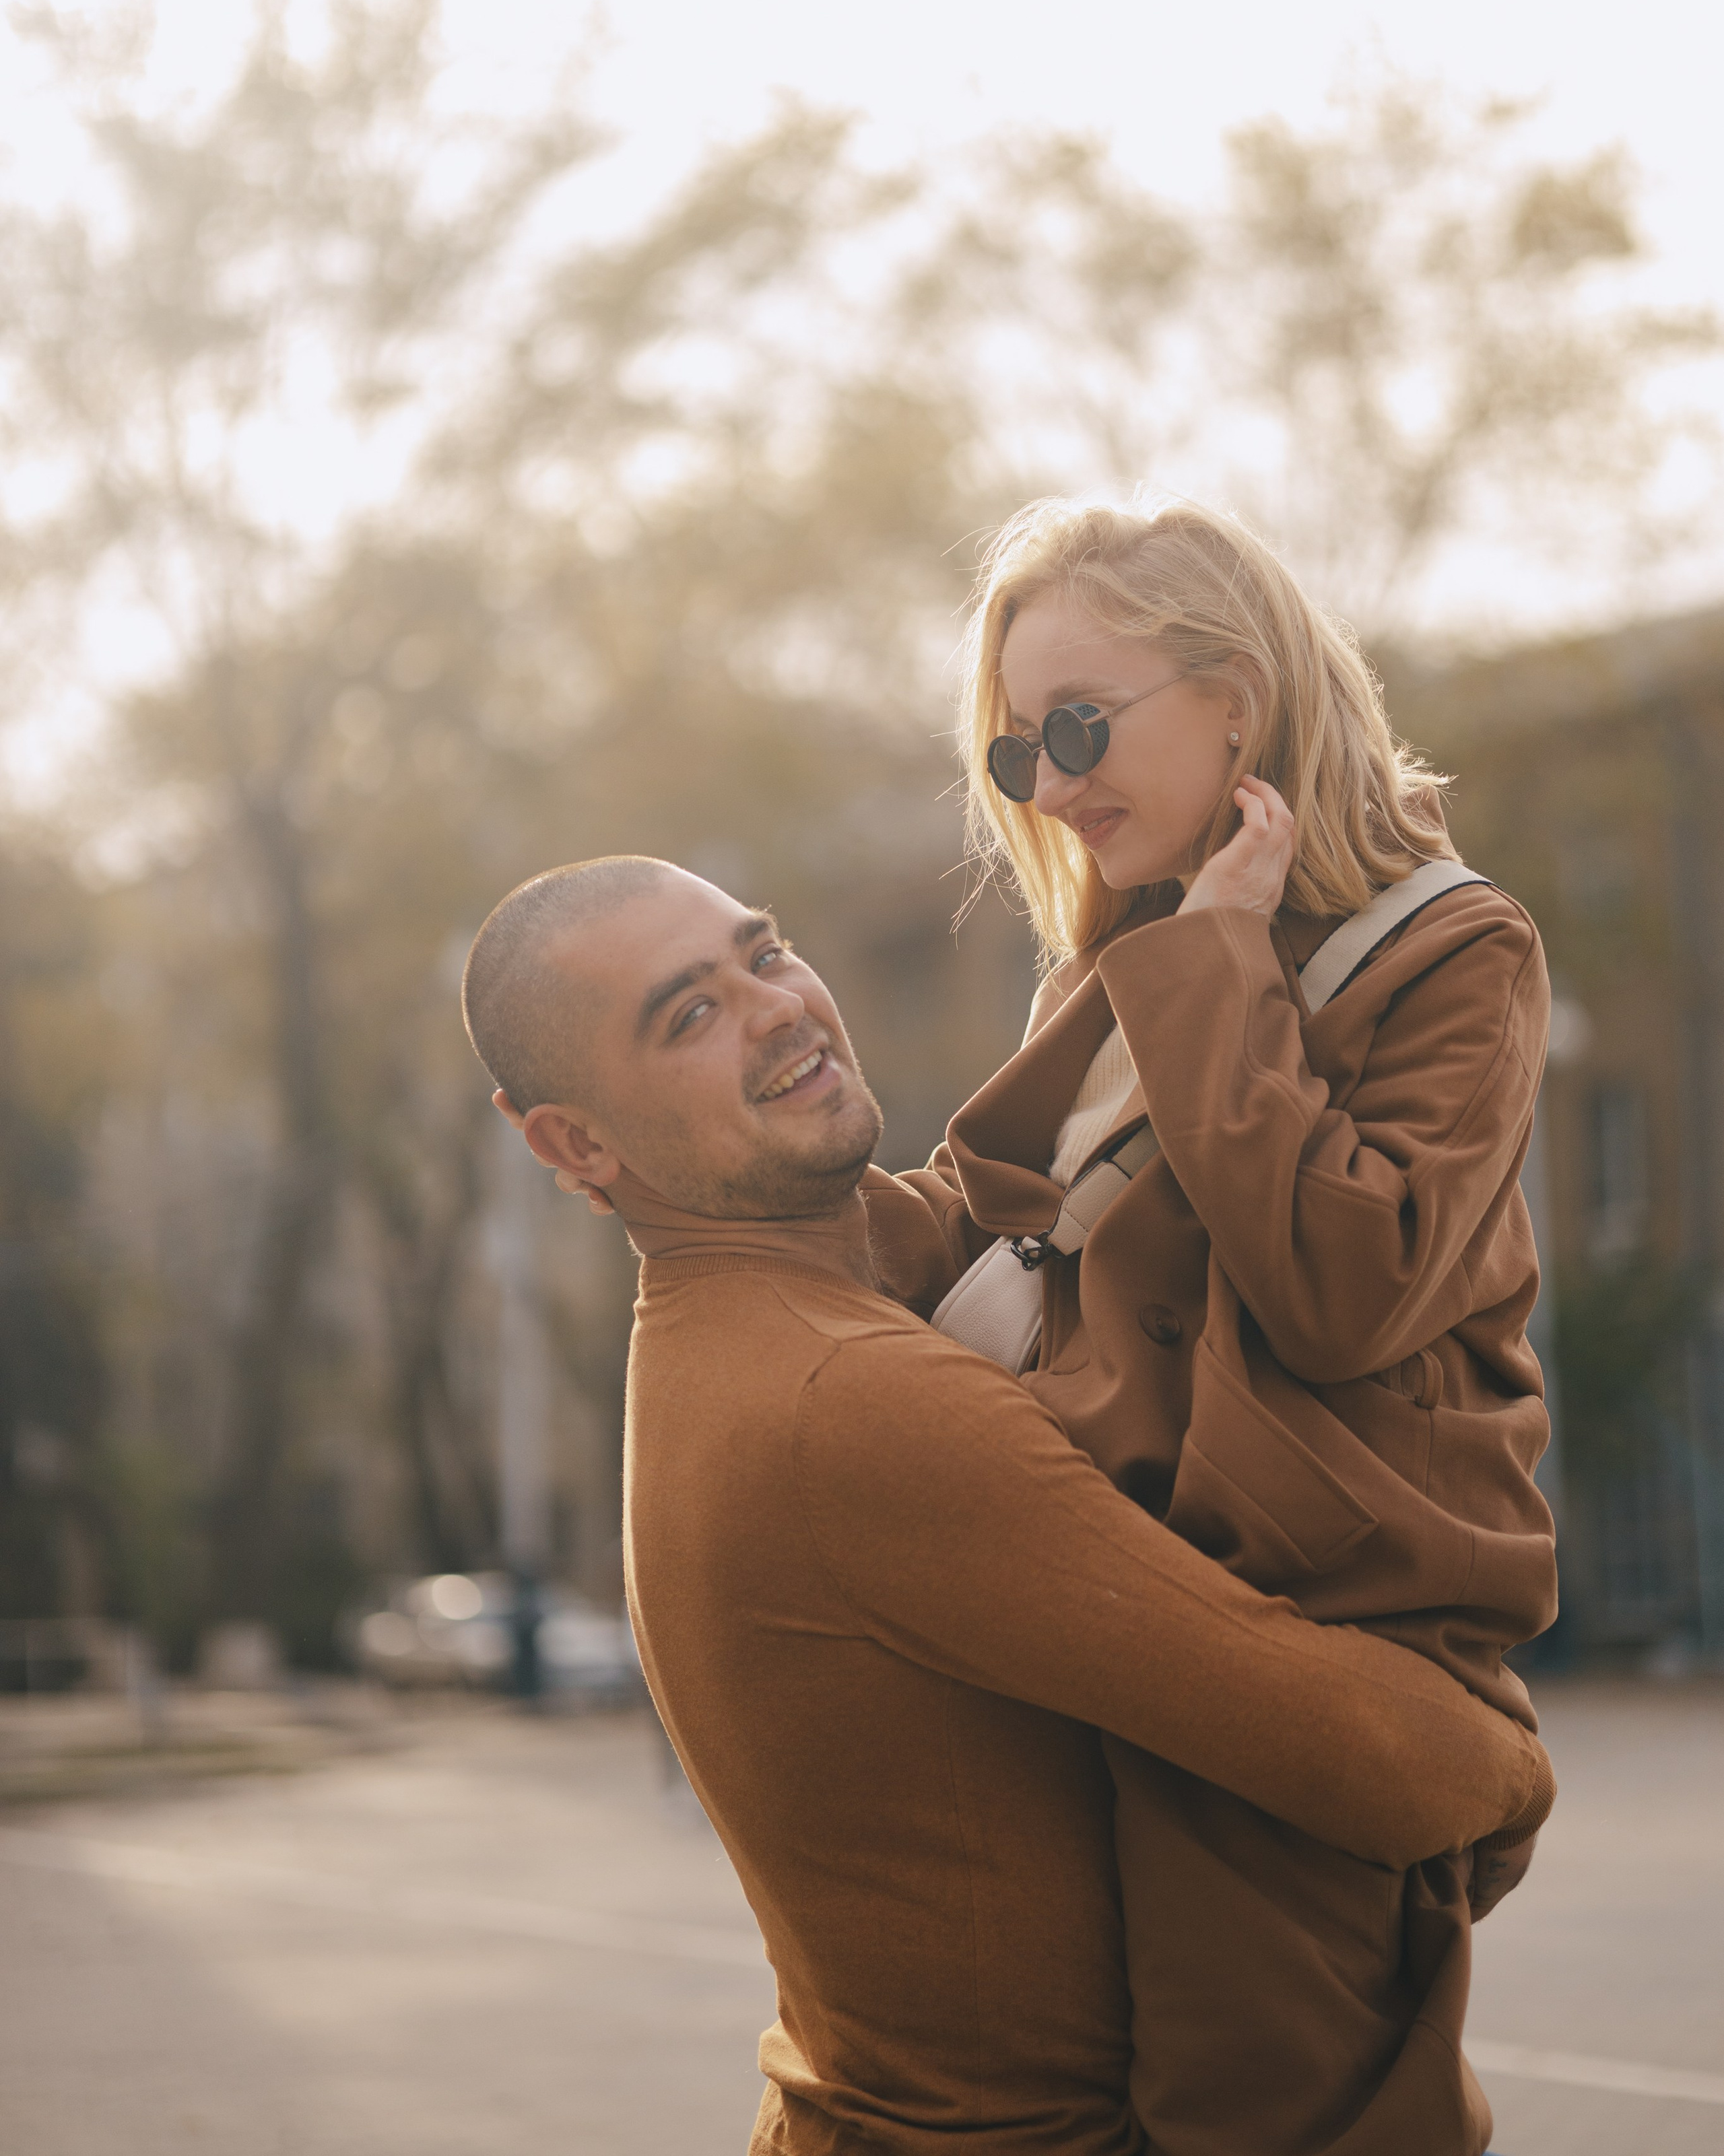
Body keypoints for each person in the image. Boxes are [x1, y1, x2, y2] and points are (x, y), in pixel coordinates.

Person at [461, 856, 1554, 2156]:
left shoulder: (758, 1315)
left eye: (765, 951)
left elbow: (975, 1200)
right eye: (688, 1014)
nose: (777, 1008)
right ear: (577, 1143)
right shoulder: (844, 1397)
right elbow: (1380, 1764)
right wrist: (1511, 1773)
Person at [867, 496, 1560, 2156]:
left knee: (1268, 2113)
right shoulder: (1129, 949)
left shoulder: (1452, 950)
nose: (1047, 783)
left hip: (1308, 1636)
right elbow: (991, 1220)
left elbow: (1341, 1283)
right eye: (1013, 749)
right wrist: (747, 1183)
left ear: (1237, 697)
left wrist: (1224, 964)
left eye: (1081, 725)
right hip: (1117, 1607)